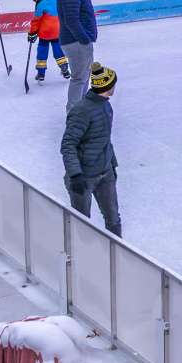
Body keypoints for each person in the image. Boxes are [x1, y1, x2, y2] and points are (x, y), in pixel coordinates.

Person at [60, 63, 122, 236]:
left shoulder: (106, 106)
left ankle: (116, 250)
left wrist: (112, 164)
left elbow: (105, 139)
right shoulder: (82, 111)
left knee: (113, 219)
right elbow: (68, 144)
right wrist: (75, 175)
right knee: (82, 224)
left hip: (105, 173)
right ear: (106, 86)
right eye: (113, 84)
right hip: (84, 177)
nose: (115, 87)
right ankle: (82, 252)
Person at [27, 0, 68, 84]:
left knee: (42, 52)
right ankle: (64, 68)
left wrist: (32, 33)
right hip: (58, 33)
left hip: (45, 34)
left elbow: (36, 20)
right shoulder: (62, 1)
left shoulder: (43, 4)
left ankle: (41, 73)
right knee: (58, 51)